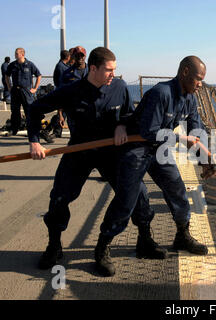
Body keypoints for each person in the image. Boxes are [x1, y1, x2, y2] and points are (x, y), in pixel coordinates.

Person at [27, 47, 151, 277]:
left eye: (115, 69)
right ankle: (54, 245)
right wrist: (34, 142)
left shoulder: (120, 88)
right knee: (59, 199)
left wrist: (122, 126)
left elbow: (128, 115)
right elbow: (34, 110)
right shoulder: (71, 91)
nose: (114, 74)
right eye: (109, 70)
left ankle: (113, 245)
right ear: (93, 68)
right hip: (79, 151)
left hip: (110, 152)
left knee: (137, 194)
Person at [97, 56, 216, 276]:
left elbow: (196, 132)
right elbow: (148, 131)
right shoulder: (161, 93)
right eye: (198, 79)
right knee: (128, 199)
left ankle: (182, 236)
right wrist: (181, 140)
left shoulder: (190, 97)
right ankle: (103, 245)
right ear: (185, 72)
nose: (200, 84)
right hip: (137, 147)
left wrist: (206, 159)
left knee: (177, 189)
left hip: (159, 149)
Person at [4, 48, 42, 136]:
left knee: (28, 111)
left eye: (17, 53)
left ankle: (31, 131)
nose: (15, 55)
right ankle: (14, 129)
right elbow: (6, 75)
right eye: (15, 53)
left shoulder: (29, 64)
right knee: (15, 111)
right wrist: (9, 87)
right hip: (15, 91)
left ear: (22, 54)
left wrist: (35, 88)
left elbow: (38, 75)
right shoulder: (12, 65)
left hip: (26, 91)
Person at [51, 49, 71, 138]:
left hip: (63, 92)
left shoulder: (60, 66)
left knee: (62, 114)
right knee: (63, 113)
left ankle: (57, 131)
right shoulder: (62, 67)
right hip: (64, 93)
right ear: (68, 57)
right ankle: (56, 131)